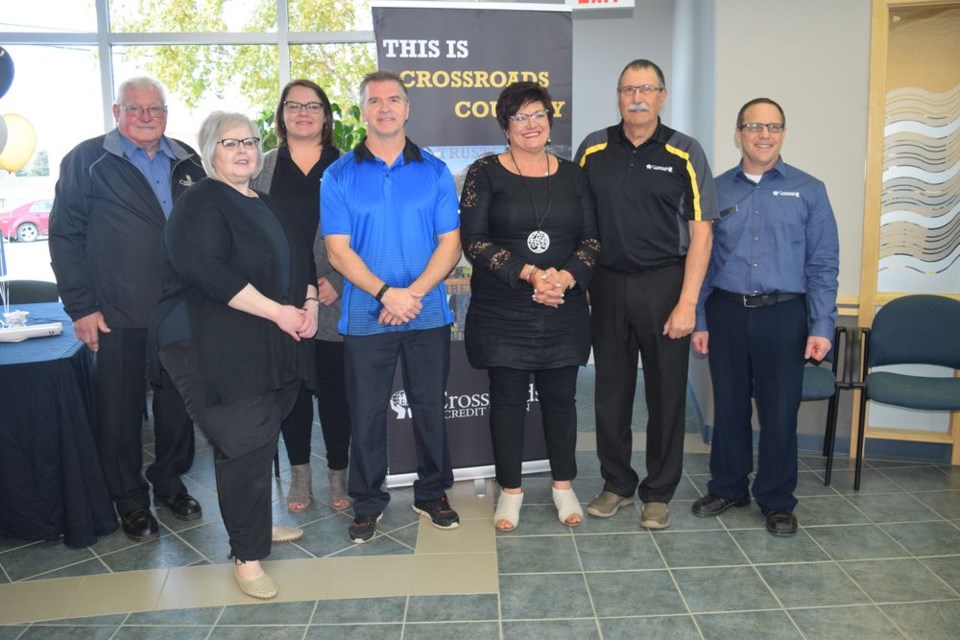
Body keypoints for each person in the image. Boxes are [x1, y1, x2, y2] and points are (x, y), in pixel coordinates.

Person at [155, 111, 318, 599]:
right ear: (209, 151)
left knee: (263, 433)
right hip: (210, 343)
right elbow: (209, 272)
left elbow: (300, 259)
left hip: (268, 336)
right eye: (230, 143)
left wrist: (307, 303)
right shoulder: (200, 200)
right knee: (243, 442)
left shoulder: (266, 202)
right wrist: (281, 313)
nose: (243, 150)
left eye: (249, 141)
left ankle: (257, 525)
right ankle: (246, 557)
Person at [49, 77, 203, 543]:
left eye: (154, 109)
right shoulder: (88, 160)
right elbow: (65, 235)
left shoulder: (187, 159)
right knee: (119, 411)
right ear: (117, 112)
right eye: (134, 108)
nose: (145, 116)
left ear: (166, 114)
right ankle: (130, 500)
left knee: (179, 405)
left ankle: (170, 483)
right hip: (116, 310)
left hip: (181, 308)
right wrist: (80, 306)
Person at [574, 59, 718, 530]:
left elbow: (702, 233)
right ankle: (616, 483)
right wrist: (584, 282)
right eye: (628, 89)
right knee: (610, 394)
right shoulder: (592, 149)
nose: (637, 97)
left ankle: (658, 492)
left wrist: (688, 303)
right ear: (618, 96)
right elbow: (580, 223)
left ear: (662, 95)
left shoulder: (685, 151)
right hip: (607, 286)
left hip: (665, 286)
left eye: (646, 89)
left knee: (666, 394)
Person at [322, 70, 461, 544]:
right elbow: (338, 250)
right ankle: (366, 504)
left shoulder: (435, 170)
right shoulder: (338, 174)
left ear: (407, 108)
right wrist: (387, 294)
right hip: (365, 317)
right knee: (365, 415)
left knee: (429, 408)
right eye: (374, 100)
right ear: (362, 110)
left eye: (394, 99)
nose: (385, 107)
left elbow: (451, 245)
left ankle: (433, 494)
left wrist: (413, 294)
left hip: (427, 314)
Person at [690, 98, 839, 537]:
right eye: (754, 126)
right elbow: (699, 260)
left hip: (784, 315)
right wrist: (699, 318)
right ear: (739, 133)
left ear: (783, 134)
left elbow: (823, 262)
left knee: (779, 412)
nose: (764, 135)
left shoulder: (809, 189)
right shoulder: (715, 190)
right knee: (730, 406)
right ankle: (729, 487)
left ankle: (776, 499)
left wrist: (821, 325)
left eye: (773, 126)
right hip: (726, 313)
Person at [460, 82, 600, 531]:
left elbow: (592, 239)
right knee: (507, 401)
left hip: (563, 305)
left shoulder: (575, 174)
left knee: (561, 400)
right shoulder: (484, 172)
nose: (531, 124)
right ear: (505, 125)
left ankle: (563, 486)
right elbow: (474, 241)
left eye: (538, 114)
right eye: (520, 117)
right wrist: (531, 274)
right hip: (504, 309)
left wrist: (563, 277)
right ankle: (511, 492)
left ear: (550, 121)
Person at [251, 79, 349, 512]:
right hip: (283, 300)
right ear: (282, 114)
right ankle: (300, 477)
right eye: (294, 106)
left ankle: (339, 477)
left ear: (326, 116)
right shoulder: (262, 166)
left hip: (335, 296)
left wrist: (340, 281)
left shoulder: (348, 166)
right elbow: (252, 232)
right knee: (290, 391)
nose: (303, 113)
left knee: (335, 392)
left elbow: (366, 231)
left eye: (313, 106)